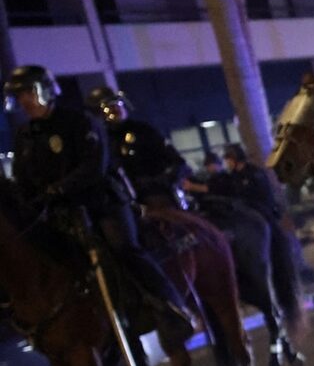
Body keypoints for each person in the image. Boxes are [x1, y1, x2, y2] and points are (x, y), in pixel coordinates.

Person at [4, 65, 191, 327]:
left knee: (123, 247)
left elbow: (94, 167)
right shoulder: (24, 136)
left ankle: (172, 303)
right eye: (19, 96)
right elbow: (23, 177)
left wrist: (59, 188)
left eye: (29, 92)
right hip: (58, 212)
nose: (25, 101)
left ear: (46, 90)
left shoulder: (78, 122)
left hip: (101, 203)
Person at [87, 87, 186, 207]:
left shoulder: (142, 130)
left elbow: (177, 162)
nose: (115, 109)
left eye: (117, 104)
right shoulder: (101, 140)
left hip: (154, 193)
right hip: (121, 199)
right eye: (108, 107)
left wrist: (161, 180)